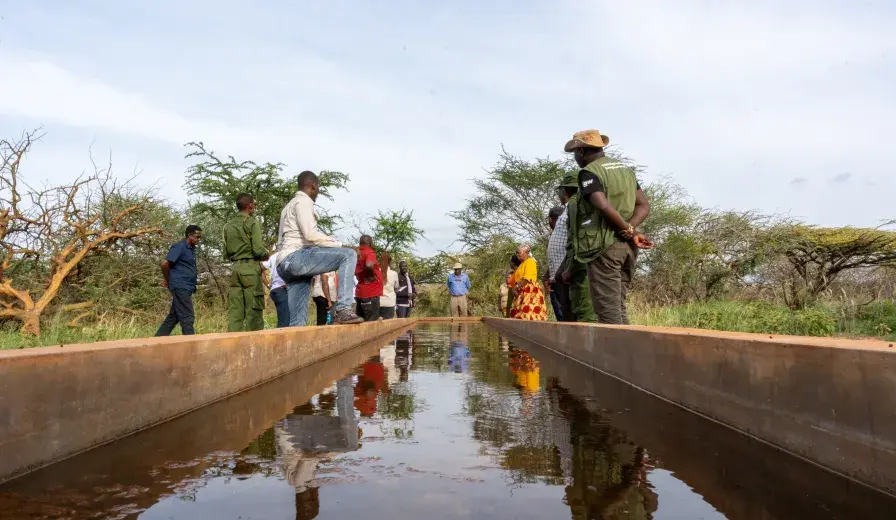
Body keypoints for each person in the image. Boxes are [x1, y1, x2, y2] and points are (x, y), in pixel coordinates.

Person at [563, 129, 653, 324]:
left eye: (575, 155)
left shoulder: (589, 173)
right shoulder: (626, 171)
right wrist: (631, 230)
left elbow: (602, 205)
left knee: (608, 311)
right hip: (627, 248)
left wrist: (628, 230)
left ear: (581, 152)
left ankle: (616, 353)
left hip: (605, 247)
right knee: (617, 306)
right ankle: (628, 353)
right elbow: (644, 205)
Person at [276, 171, 363, 325]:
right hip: (295, 257)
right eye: (319, 188)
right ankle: (343, 309)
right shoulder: (304, 201)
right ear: (313, 186)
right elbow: (311, 235)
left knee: (297, 320)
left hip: (284, 264)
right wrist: (341, 245)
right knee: (348, 255)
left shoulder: (288, 206)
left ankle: (295, 342)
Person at [223, 193, 270, 332]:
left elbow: (226, 253)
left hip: (235, 269)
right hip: (250, 269)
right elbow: (257, 249)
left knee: (235, 310)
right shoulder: (251, 222)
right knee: (254, 309)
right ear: (250, 205)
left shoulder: (227, 226)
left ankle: (233, 345)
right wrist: (265, 254)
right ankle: (255, 345)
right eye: (253, 204)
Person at [156, 225, 202, 336]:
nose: (198, 240)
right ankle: (191, 345)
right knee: (187, 315)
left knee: (174, 316)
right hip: (181, 285)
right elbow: (164, 264)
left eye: (200, 237)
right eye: (196, 237)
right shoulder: (180, 246)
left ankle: (157, 341)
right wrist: (168, 280)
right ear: (189, 235)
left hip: (186, 286)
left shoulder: (190, 249)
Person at [545, 204, 572, 321]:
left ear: (550, 219)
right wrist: (546, 276)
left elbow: (565, 257)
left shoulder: (563, 231)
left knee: (564, 313)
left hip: (563, 278)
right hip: (560, 278)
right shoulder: (563, 231)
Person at [508, 245, 548, 320]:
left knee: (528, 314)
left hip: (529, 291)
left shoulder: (530, 261)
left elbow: (527, 279)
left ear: (526, 252)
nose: (517, 255)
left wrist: (515, 287)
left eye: (518, 252)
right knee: (519, 316)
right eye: (516, 253)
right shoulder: (521, 265)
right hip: (521, 291)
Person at [355, 235, 383, 321]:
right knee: (371, 323)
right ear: (370, 243)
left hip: (361, 291)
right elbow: (369, 265)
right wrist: (372, 276)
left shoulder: (357, 253)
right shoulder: (369, 252)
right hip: (371, 292)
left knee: (362, 321)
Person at [262, 246, 290, 328]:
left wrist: (268, 285)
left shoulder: (272, 257)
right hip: (282, 289)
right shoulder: (285, 256)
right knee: (285, 321)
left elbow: (260, 268)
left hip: (274, 289)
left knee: (282, 319)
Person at [379, 252, 399, 319]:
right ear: (390, 261)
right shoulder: (394, 274)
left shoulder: (376, 272)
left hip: (378, 302)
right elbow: (396, 287)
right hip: (389, 302)